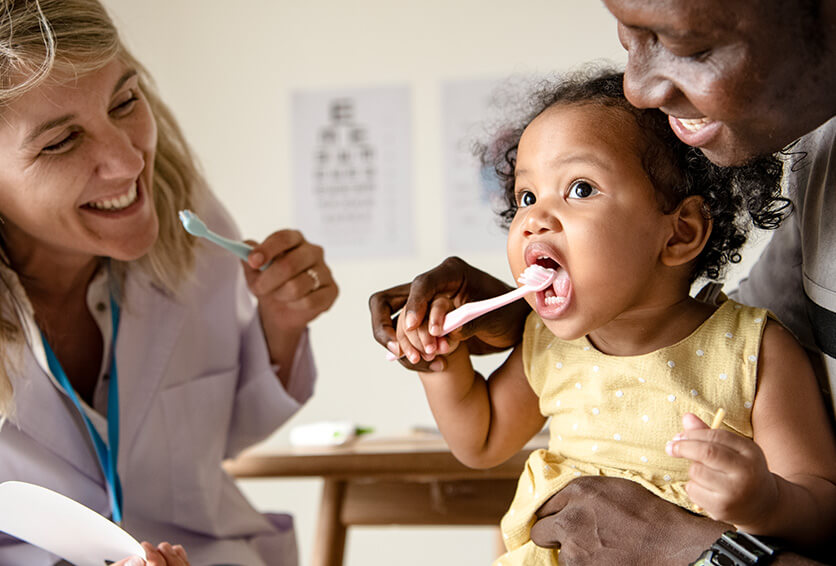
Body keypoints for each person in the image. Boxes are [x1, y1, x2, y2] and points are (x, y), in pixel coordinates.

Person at [370, 0, 836, 563]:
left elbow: (822, 506)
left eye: (580, 189)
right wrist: (444, 365)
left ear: (679, 233)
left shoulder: (755, 351)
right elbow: (482, 439)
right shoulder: (551, 345)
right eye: (525, 196)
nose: (534, 219)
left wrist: (765, 502)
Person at [0, 1, 337, 565]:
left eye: (125, 102)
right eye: (61, 142)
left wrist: (280, 324)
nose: (128, 163)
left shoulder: (197, 231)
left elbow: (219, 434)